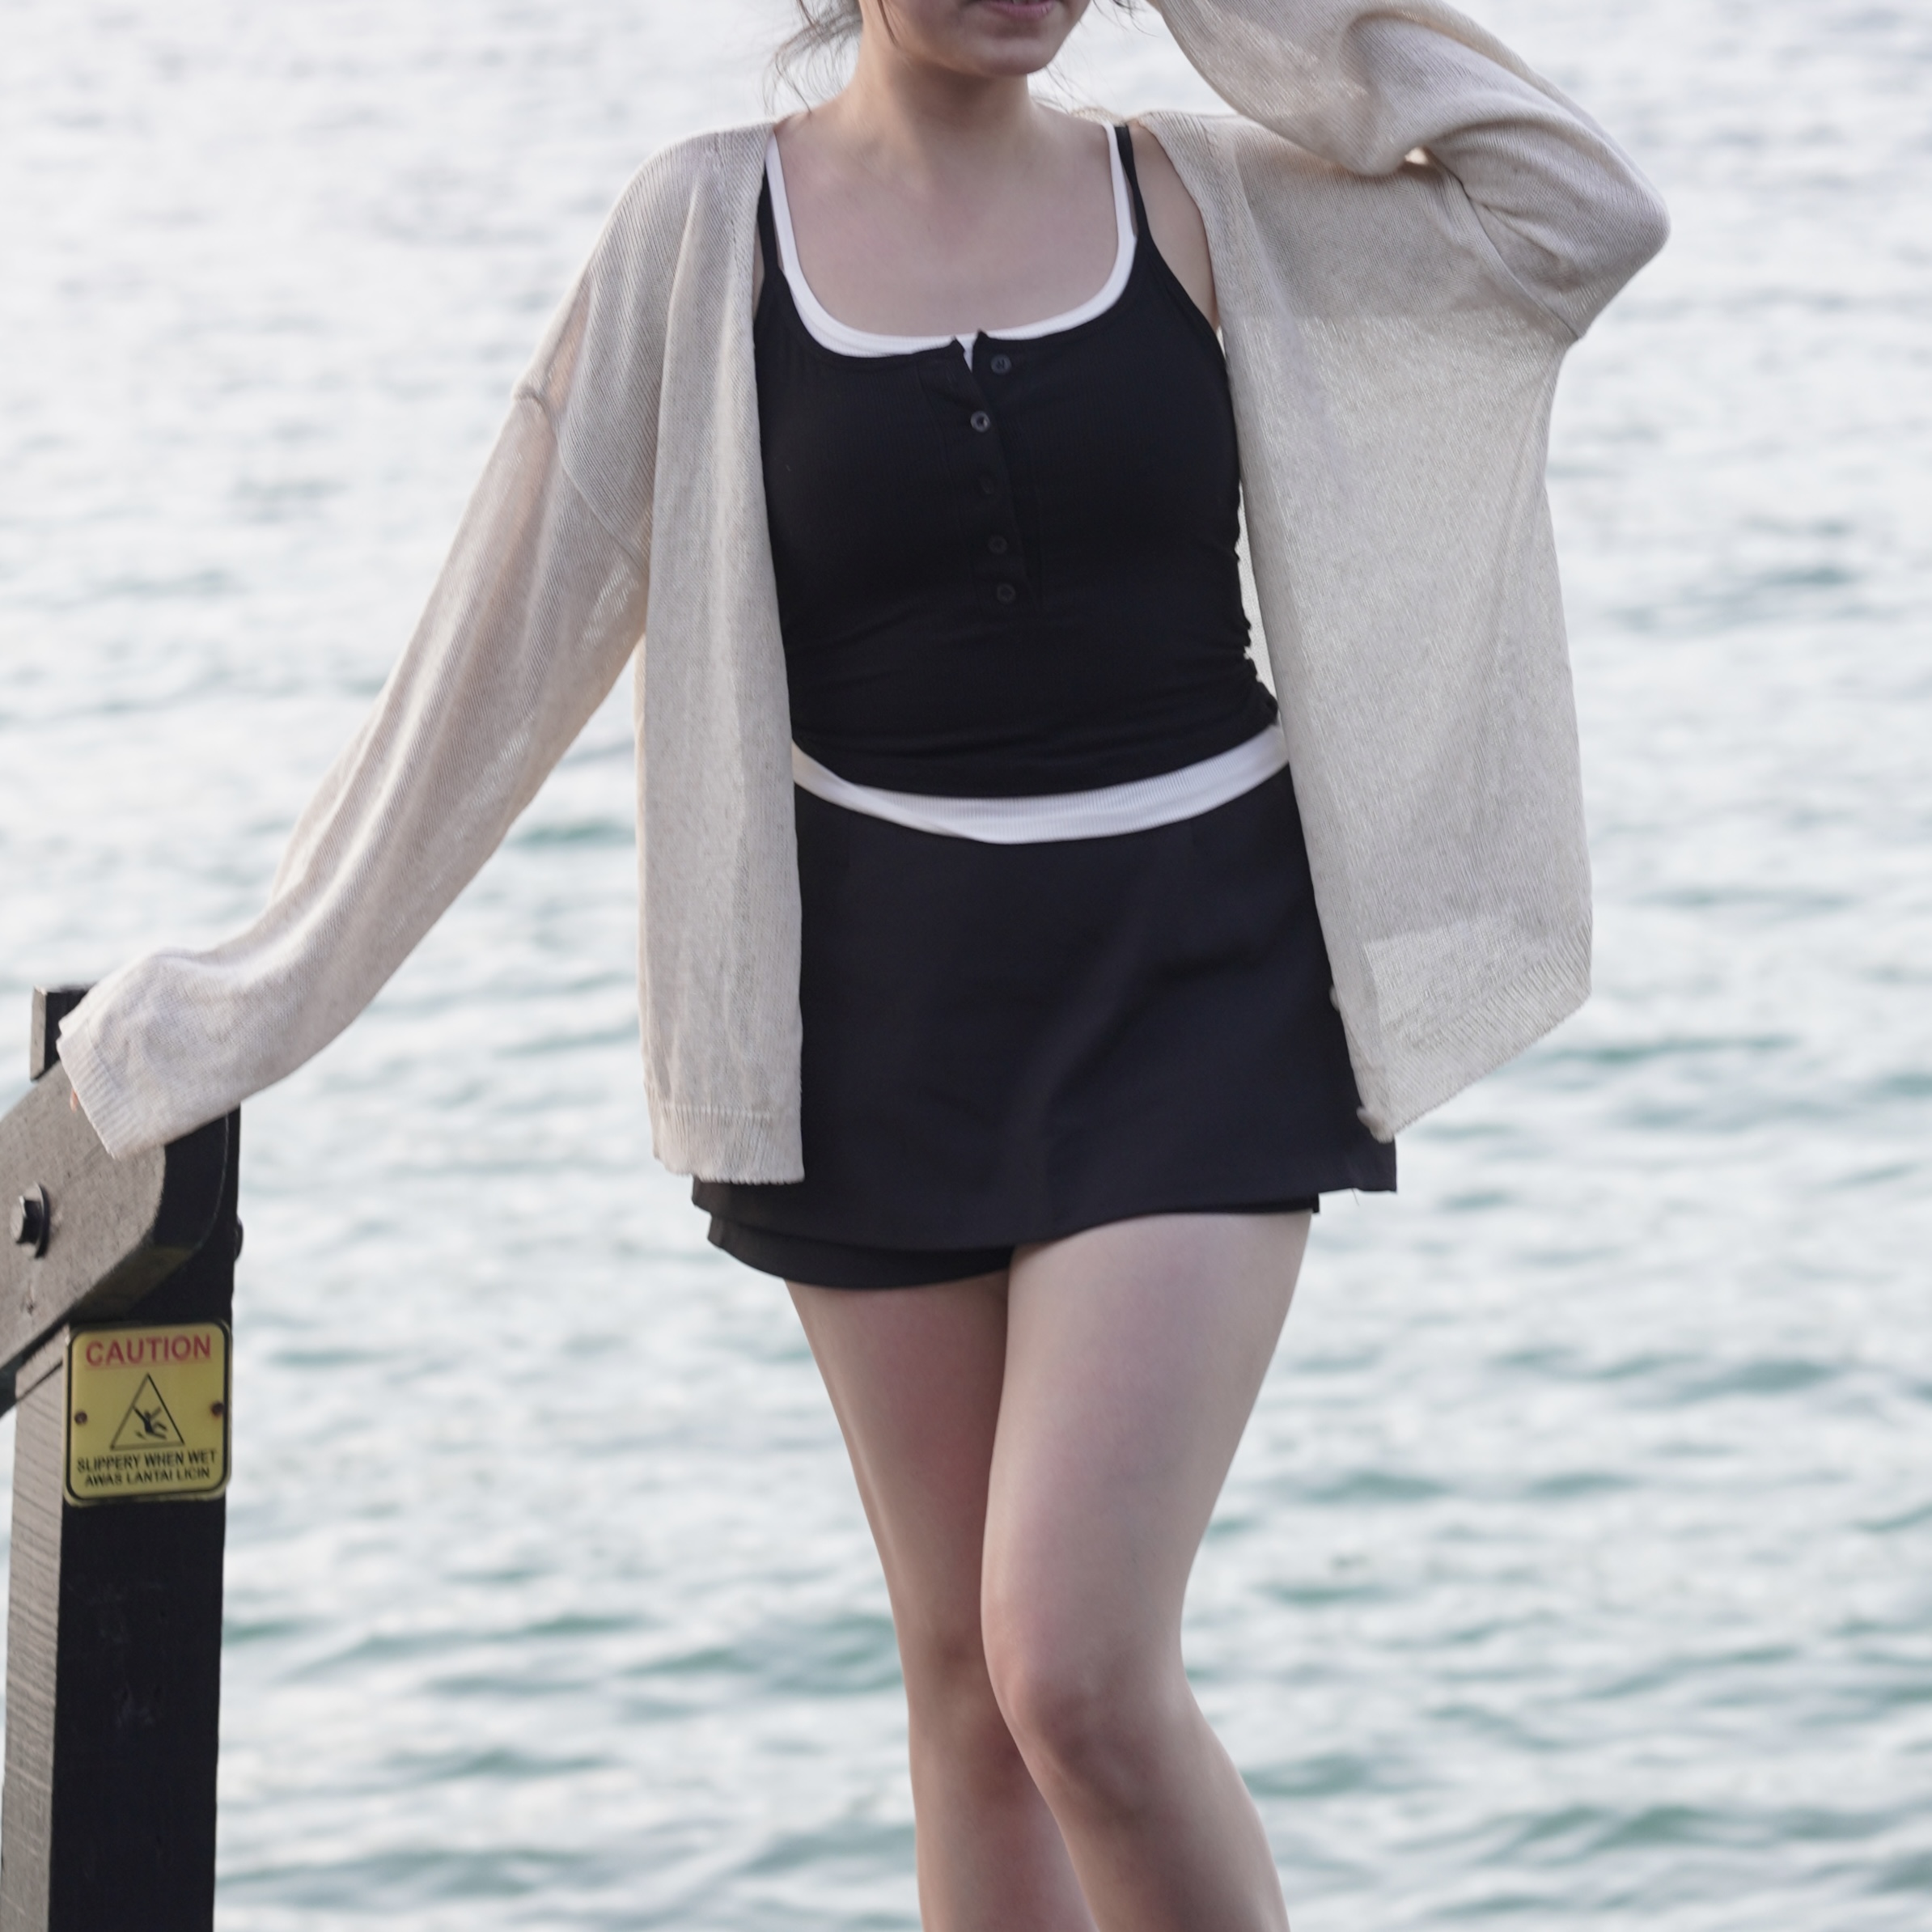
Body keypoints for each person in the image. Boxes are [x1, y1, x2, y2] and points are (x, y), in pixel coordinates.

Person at [57, 0, 1666, 1924]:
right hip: (874, 1015)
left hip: (1198, 978)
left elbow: (1573, 214)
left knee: (1077, 1671)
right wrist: (257, 992)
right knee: (968, 1694)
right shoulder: (699, 234)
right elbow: (497, 649)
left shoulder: (1196, 195)